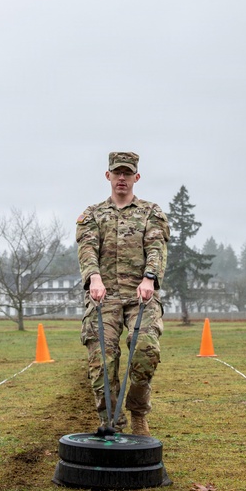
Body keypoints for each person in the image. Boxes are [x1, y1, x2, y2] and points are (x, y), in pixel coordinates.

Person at [76, 151, 169, 436]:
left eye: (127, 173)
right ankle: (110, 422)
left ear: (136, 178)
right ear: (108, 176)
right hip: (103, 296)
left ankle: (138, 413)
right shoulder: (92, 215)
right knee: (101, 361)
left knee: (145, 350)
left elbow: (156, 248)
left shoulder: (151, 212)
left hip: (141, 294)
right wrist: (94, 278)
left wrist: (149, 279)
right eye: (117, 173)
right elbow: (87, 248)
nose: (122, 178)